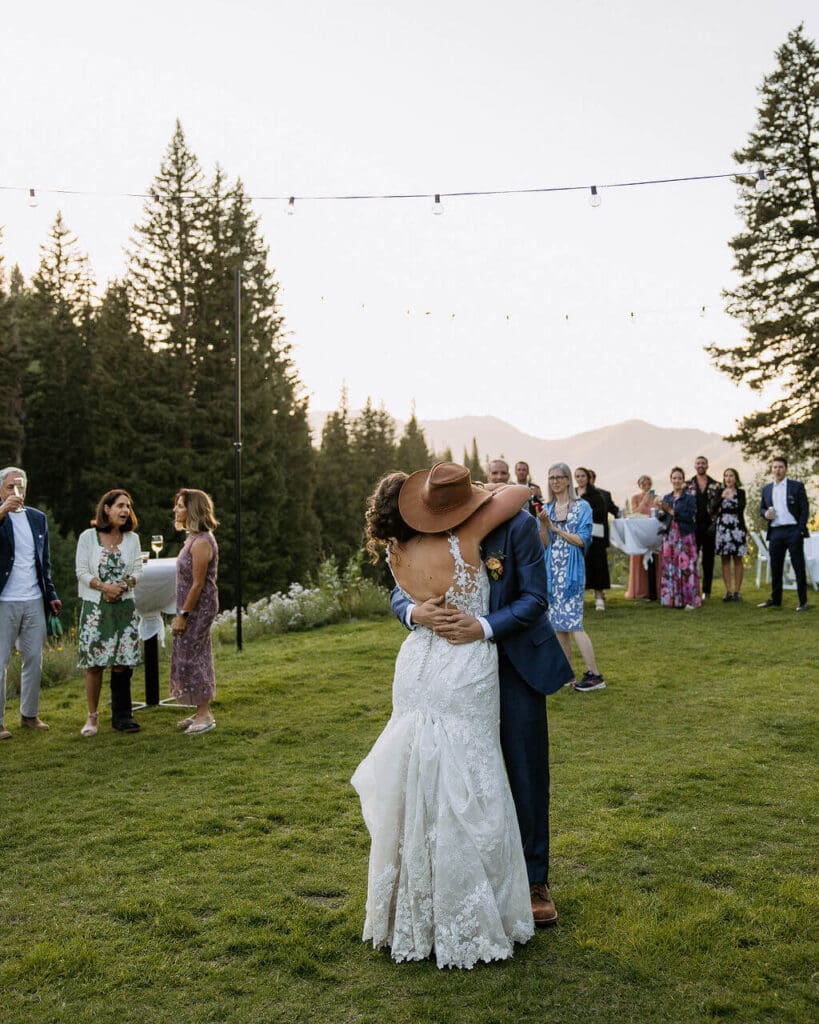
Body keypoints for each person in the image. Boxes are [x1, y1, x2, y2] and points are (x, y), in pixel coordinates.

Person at [360, 463, 572, 967]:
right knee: (459, 776)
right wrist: (416, 613)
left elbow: (535, 599)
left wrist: (483, 626)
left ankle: (535, 878)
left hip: (511, 658)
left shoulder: (516, 525)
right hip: (447, 670)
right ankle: (459, 876)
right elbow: (403, 582)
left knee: (522, 770)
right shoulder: (427, 526)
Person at [75, 490, 144, 735]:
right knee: (94, 664)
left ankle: (122, 717)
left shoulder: (132, 539)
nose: (125, 511)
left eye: (128, 506)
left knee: (121, 663)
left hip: (123, 608)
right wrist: (104, 587)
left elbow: (138, 569)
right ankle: (92, 718)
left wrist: (123, 586)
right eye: (120, 506)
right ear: (106, 509)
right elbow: (81, 571)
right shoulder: (88, 537)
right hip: (96, 609)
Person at [0, 467, 62, 739]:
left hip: (34, 599)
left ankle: (29, 715)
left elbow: (43, 563)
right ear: (0, 490)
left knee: (33, 660)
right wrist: (2, 511)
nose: (16, 491)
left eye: (20, 486)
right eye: (10, 486)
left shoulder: (38, 518)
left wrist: (51, 594)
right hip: (4, 600)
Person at [541, 464, 605, 690]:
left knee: (574, 623)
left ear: (569, 480)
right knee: (558, 626)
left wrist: (556, 529)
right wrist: (543, 526)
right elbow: (546, 544)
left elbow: (582, 540)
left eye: (559, 477)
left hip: (571, 573)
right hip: (551, 573)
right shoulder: (547, 508)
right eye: (551, 478)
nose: (555, 481)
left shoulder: (582, 507)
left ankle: (595, 675)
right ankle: (567, 675)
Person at [170, 489, 220, 733]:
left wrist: (183, 615)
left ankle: (205, 715)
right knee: (190, 654)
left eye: (180, 506)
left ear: (193, 510)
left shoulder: (201, 542)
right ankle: (199, 709)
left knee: (195, 656)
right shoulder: (193, 538)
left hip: (199, 608)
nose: (176, 510)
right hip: (192, 606)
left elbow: (198, 584)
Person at [758, 456, 810, 612]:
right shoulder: (767, 489)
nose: (777, 470)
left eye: (780, 467)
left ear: (786, 469)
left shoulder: (796, 486)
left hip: (793, 530)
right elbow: (762, 508)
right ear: (771, 469)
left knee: (798, 565)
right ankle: (776, 600)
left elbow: (804, 509)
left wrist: (800, 529)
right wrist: (765, 513)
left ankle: (802, 602)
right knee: (776, 566)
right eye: (775, 467)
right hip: (775, 531)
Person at [656, 468, 701, 610]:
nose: (676, 481)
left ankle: (689, 599)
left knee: (687, 567)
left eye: (679, 478)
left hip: (685, 535)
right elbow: (663, 519)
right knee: (671, 567)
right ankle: (672, 599)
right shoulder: (667, 497)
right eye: (674, 478)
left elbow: (689, 517)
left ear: (683, 480)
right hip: (670, 536)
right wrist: (660, 511)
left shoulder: (690, 498)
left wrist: (670, 511)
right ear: (671, 480)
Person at [573, 467, 610, 611]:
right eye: (577, 476)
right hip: (576, 536)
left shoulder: (596, 495)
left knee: (597, 566)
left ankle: (599, 597)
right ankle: (577, 598)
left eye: (582, 476)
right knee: (578, 566)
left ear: (588, 478)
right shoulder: (573, 493)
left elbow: (600, 514)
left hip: (594, 536)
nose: (580, 478)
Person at [711, 469, 748, 602]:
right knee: (725, 559)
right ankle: (728, 591)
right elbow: (713, 508)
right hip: (723, 528)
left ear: (735, 478)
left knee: (738, 559)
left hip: (737, 527)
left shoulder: (741, 492)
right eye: (726, 476)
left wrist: (731, 498)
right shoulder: (719, 492)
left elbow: (741, 508)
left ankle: (737, 591)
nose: (728, 478)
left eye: (731, 476)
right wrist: (722, 498)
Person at [686, 456, 720, 599]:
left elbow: (719, 507)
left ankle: (707, 591)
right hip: (693, 526)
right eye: (698, 463)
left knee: (708, 560)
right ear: (694, 466)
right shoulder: (688, 484)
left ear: (707, 465)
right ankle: (692, 588)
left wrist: (715, 523)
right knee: (692, 559)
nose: (701, 465)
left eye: (703, 463)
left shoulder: (716, 485)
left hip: (709, 527)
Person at [625, 475, 660, 601]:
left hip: (654, 531)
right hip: (639, 532)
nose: (646, 486)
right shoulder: (635, 498)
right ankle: (640, 590)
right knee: (639, 560)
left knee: (655, 558)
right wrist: (644, 501)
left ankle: (655, 590)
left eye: (648, 483)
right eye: (643, 484)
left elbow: (659, 513)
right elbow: (634, 513)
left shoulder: (656, 498)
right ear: (639, 485)